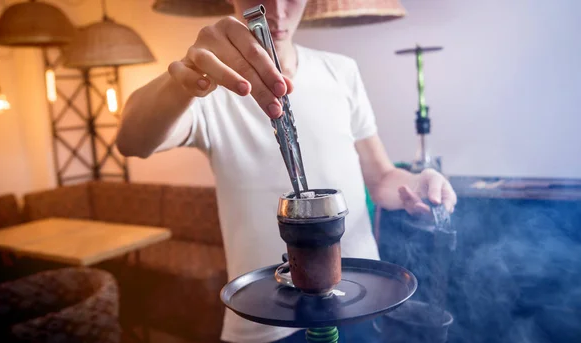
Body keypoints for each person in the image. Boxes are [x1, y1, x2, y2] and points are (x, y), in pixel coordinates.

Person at [115, 0, 457, 342]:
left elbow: (382, 178)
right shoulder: (210, 89)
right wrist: (183, 81)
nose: (276, 9)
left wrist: (418, 183)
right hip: (265, 323)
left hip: (360, 304)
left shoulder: (341, 71)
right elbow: (132, 141)